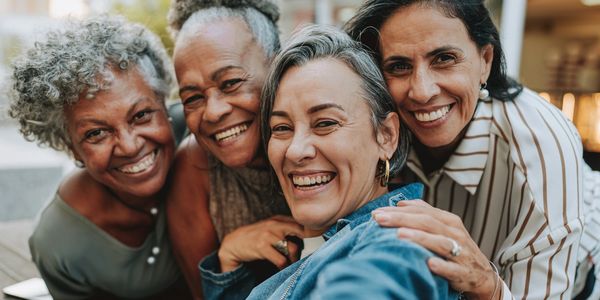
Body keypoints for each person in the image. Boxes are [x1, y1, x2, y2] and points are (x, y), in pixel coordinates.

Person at [345, 1, 592, 298]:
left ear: (485, 60)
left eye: (444, 58)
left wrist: (488, 284)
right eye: (399, 66)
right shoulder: (380, 126)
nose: (422, 91)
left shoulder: (539, 144)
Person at [199, 24, 457, 300]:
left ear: (386, 135)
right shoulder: (303, 248)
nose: (296, 151)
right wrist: (229, 264)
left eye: (325, 123)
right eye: (281, 128)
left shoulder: (398, 242)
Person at [8, 15, 190, 299]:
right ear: (71, 149)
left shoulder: (204, 139)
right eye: (96, 134)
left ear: (164, 103)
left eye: (141, 115)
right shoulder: (59, 244)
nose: (129, 146)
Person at [166, 1, 302, 298]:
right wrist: (228, 255)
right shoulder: (194, 168)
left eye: (230, 83)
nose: (213, 112)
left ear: (278, 65)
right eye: (192, 98)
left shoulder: (328, 139)